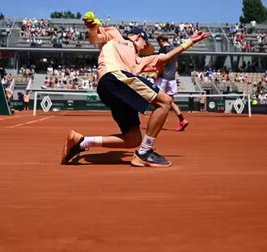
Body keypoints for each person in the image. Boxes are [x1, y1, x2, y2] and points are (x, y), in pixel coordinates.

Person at [61, 16, 211, 167]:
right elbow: (95, 39)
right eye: (144, 45)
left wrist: (190, 42)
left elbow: (165, 57)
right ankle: (145, 152)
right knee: (165, 101)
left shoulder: (138, 60)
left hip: (111, 89)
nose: (142, 49)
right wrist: (92, 28)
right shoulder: (115, 35)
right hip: (114, 77)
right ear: (139, 37)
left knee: (133, 139)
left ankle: (81, 142)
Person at [155, 35, 189, 131]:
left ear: (161, 40)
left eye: (158, 42)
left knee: (159, 101)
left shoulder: (162, 50)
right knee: (169, 101)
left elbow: (161, 63)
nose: (158, 44)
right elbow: (176, 66)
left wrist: (157, 74)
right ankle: (182, 120)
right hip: (172, 79)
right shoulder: (173, 49)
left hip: (163, 78)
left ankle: (157, 122)